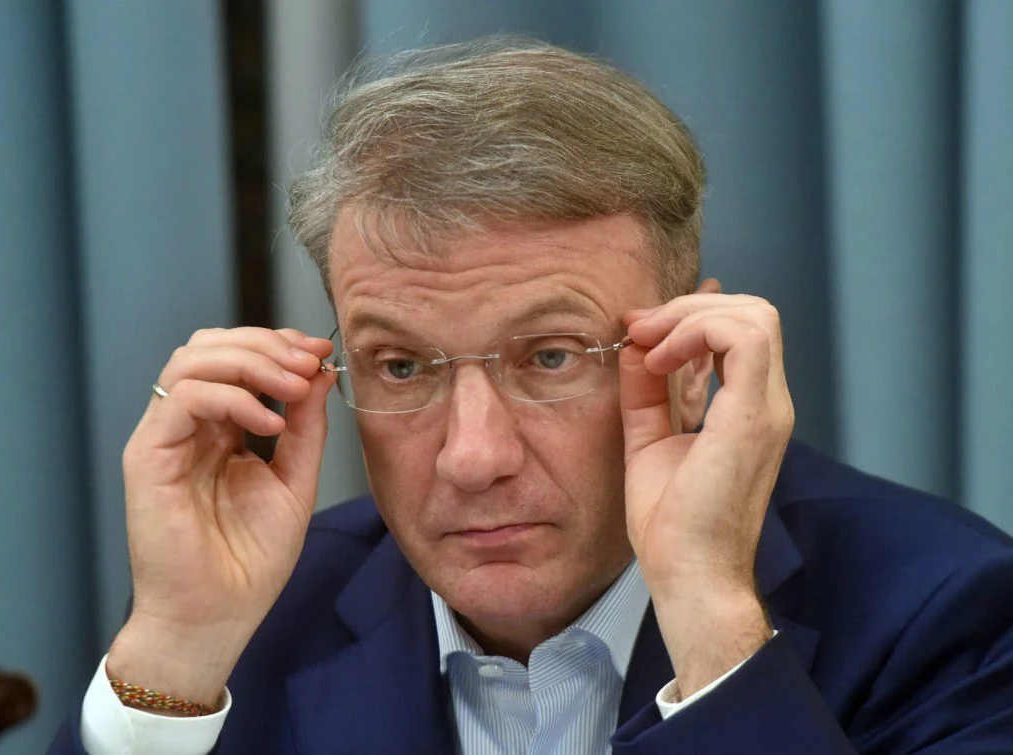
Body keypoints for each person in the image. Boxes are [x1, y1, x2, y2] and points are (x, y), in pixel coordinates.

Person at [50, 38, 1013, 754]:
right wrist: (173, 654)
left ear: (690, 364)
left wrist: (716, 626)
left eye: (551, 357)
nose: (473, 457)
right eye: (402, 366)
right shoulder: (259, 615)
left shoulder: (943, 612)